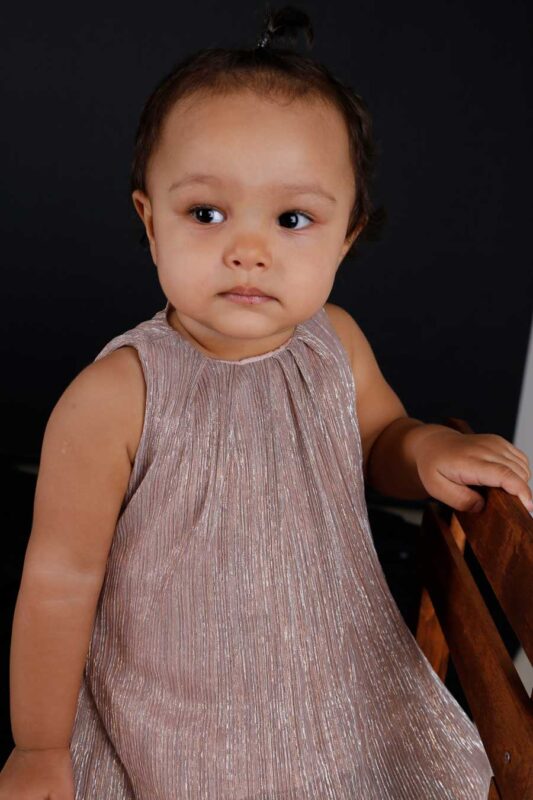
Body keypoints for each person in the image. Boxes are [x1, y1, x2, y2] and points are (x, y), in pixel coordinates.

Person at [1, 5, 531, 799]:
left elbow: (379, 437)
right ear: (150, 221)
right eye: (206, 213)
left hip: (330, 679)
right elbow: (58, 579)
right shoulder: (114, 397)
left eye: (292, 218)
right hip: (177, 700)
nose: (247, 249)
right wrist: (38, 745)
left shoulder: (334, 343)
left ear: (344, 237)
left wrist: (424, 449)